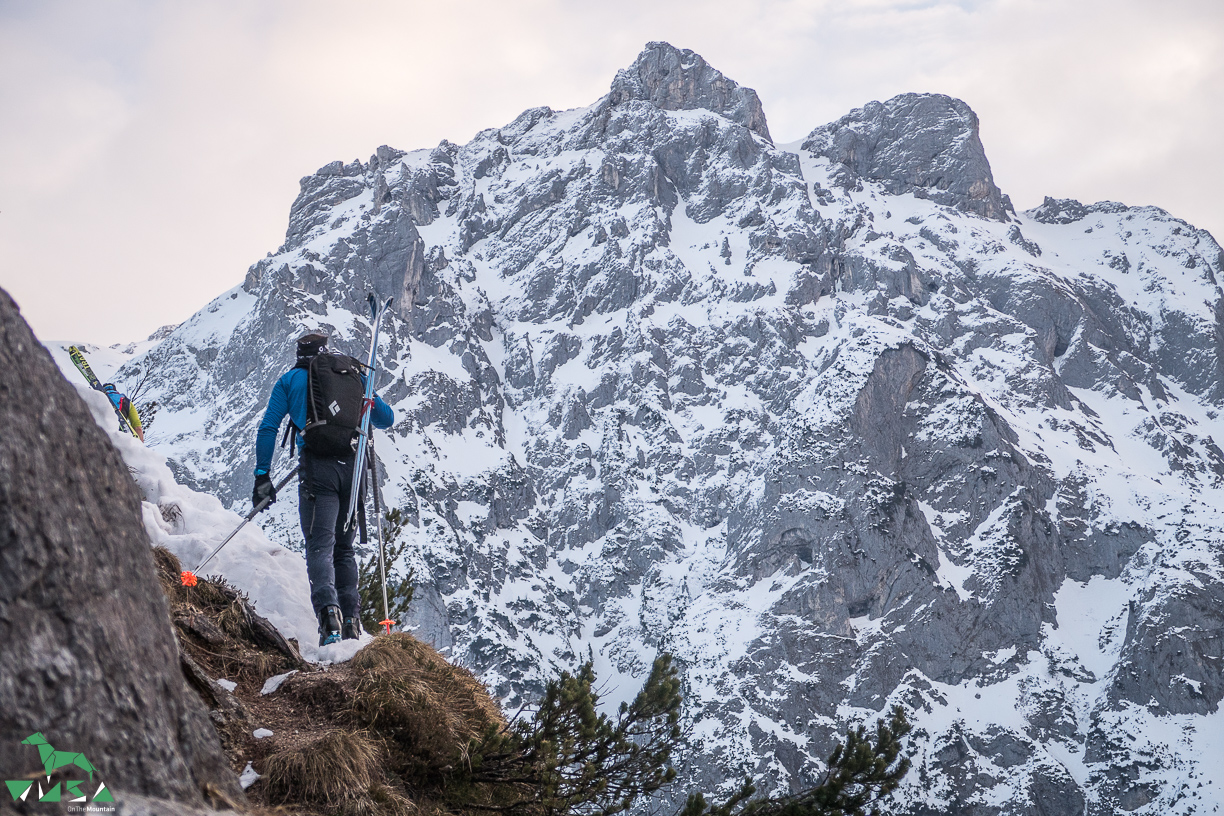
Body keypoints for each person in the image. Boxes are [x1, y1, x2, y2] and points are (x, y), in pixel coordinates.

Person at [253, 331, 394, 646]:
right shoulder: (351, 375)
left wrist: (262, 475)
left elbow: (268, 428)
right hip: (353, 471)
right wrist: (364, 396)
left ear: (298, 354)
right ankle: (352, 623)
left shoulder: (289, 381)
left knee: (320, 546)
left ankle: (329, 621)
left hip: (319, 471)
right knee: (344, 549)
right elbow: (387, 418)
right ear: (326, 351)